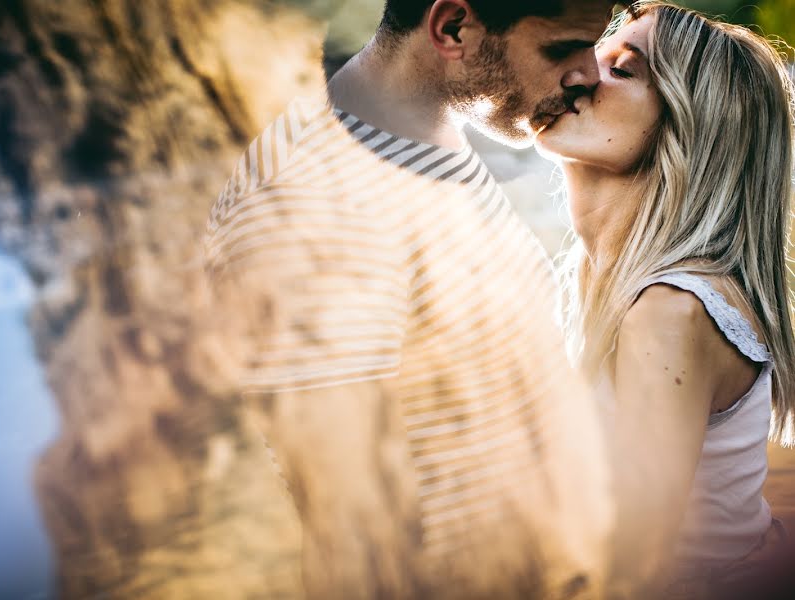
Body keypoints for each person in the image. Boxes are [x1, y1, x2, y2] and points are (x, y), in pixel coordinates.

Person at [205, 1, 624, 598]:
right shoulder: (312, 202)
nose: (588, 73)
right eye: (560, 49)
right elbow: (350, 535)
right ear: (452, 28)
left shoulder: (424, 131)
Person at [534, 1, 795, 597]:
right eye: (593, 52)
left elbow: (638, 569)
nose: (576, 73)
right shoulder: (607, 282)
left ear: (691, 124)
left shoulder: (668, 309)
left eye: (623, 70)